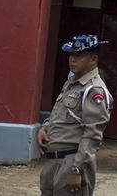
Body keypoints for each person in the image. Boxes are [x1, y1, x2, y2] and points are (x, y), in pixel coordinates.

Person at [37, 34, 112, 196]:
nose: (73, 59)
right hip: (54, 160)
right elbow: (61, 112)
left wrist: (77, 170)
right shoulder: (72, 82)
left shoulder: (93, 90)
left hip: (72, 161)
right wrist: (45, 127)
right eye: (71, 54)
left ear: (93, 60)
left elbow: (92, 135)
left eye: (79, 55)